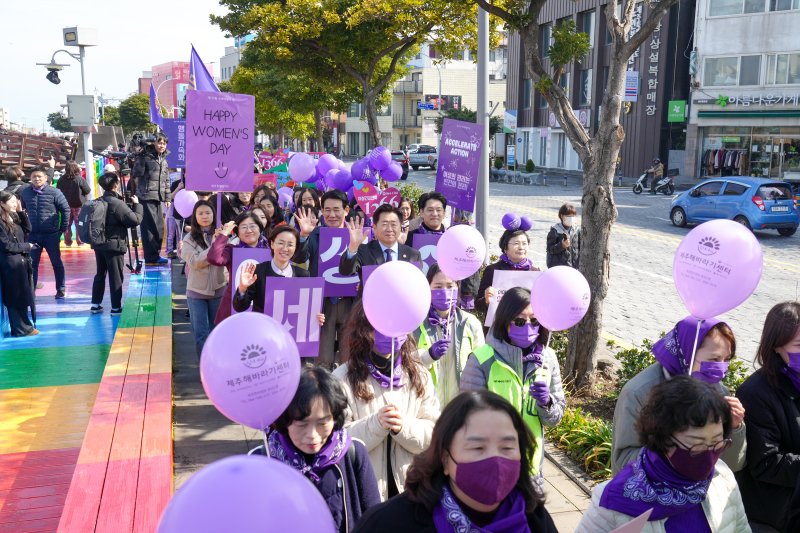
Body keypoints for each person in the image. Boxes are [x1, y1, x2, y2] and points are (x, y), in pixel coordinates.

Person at [353, 390, 558, 532]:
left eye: (507, 447)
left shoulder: (534, 518)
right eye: (477, 448)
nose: (495, 460)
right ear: (444, 458)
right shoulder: (390, 524)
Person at [578, 376, 750, 532]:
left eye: (716, 442)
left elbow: (741, 529)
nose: (709, 455)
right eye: (697, 444)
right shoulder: (612, 500)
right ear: (663, 438)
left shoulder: (722, 477)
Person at [332, 300, 440, 501]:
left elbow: (434, 435)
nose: (390, 332)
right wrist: (376, 424)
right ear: (365, 329)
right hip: (364, 494)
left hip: (411, 493)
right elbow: (335, 440)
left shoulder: (419, 375)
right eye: (381, 325)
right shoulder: (341, 378)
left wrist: (403, 427)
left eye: (396, 325)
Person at [611, 316, 746, 475]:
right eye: (714, 359)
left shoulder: (718, 392)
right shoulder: (639, 392)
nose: (721, 368)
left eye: (726, 359)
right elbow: (623, 460)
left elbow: (732, 464)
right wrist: (680, 452)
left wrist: (735, 427)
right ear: (687, 352)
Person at [460, 287, 566, 487]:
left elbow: (555, 418)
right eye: (519, 321)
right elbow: (467, 416)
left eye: (534, 321)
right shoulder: (482, 359)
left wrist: (547, 403)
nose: (528, 327)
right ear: (504, 321)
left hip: (532, 471)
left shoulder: (547, 359)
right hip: (491, 471)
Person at [259, 365, 381, 532]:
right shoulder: (264, 460)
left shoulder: (352, 453)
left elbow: (375, 519)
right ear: (284, 421)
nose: (313, 435)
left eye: (323, 423)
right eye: (302, 424)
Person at [735, 301, 800, 531]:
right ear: (776, 346)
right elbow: (765, 463)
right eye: (799, 344)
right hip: (777, 515)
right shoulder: (755, 393)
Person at [294, 190, 353, 369]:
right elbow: (299, 258)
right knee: (322, 358)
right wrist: (303, 235)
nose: (332, 215)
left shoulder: (356, 234)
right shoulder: (315, 234)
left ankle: (346, 394)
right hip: (322, 305)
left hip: (350, 303)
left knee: (348, 357)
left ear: (346, 210)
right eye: (327, 210)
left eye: (336, 209)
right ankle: (323, 394)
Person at [414, 263, 485, 406]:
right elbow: (404, 362)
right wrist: (428, 355)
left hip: (461, 406)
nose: (445, 292)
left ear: (458, 287)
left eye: (450, 286)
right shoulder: (415, 323)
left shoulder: (470, 322)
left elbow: (482, 366)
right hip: (426, 406)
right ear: (428, 288)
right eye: (438, 287)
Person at [88, 173, 143, 315]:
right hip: (114, 245)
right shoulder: (118, 203)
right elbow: (134, 220)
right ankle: (116, 307)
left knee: (100, 273)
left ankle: (95, 304)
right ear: (116, 185)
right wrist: (137, 205)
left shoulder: (97, 201)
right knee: (115, 276)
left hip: (99, 243)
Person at [180, 200, 227, 357]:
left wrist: (220, 240)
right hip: (196, 293)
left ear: (214, 215)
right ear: (195, 216)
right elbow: (195, 262)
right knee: (201, 334)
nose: (205, 216)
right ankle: (204, 369)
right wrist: (214, 247)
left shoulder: (223, 235)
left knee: (218, 333)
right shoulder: (189, 239)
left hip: (219, 290)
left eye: (208, 212)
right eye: (200, 213)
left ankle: (218, 365)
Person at [233, 226, 314, 314]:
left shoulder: (303, 275)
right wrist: (242, 288)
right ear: (272, 244)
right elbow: (240, 307)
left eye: (290, 245)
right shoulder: (258, 271)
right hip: (264, 325)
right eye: (281, 243)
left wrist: (315, 317)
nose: (285, 248)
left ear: (295, 248)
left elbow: (305, 309)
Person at [207, 211, 269, 324]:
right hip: (233, 307)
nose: (249, 230)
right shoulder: (232, 250)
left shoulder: (270, 251)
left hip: (261, 310)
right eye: (244, 227)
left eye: (252, 226)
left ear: (260, 229)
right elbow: (214, 258)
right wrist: (224, 233)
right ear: (237, 233)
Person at [339, 204, 421, 282]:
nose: (389, 229)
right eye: (384, 224)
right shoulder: (363, 251)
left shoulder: (413, 255)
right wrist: (353, 246)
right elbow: (345, 271)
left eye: (393, 224)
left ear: (400, 227)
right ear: (374, 227)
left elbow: (416, 284)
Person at [21, 167, 70, 298]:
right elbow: (21, 211)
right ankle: (31, 291)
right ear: (30, 179)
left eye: (39, 176)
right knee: (32, 264)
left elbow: (65, 210)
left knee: (56, 262)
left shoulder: (55, 192)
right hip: (32, 235)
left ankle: (61, 289)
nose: (36, 179)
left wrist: (62, 229)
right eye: (34, 177)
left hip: (51, 235)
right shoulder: (25, 192)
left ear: (46, 178)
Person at [476, 217, 539, 316]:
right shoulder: (493, 270)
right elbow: (478, 305)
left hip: (526, 325)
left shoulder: (535, 272)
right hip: (499, 327)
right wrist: (486, 300)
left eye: (524, 244)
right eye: (516, 243)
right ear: (505, 247)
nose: (521, 247)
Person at [0, 190, 37, 336]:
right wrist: (26, 247)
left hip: (20, 261)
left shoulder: (12, 216)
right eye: (12, 202)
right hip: (10, 264)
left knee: (23, 294)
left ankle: (26, 326)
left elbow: (28, 230)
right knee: (15, 296)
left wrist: (21, 212)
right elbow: (6, 245)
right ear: (2, 203)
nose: (15, 204)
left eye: (16, 201)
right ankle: (20, 329)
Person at [132, 133, 170, 264]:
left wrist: (167, 198)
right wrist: (140, 156)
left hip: (158, 198)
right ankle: (151, 257)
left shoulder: (163, 160)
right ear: (154, 144)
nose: (162, 146)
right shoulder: (146, 157)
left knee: (159, 228)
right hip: (146, 196)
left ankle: (155, 255)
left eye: (164, 143)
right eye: (159, 143)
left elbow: (166, 181)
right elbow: (136, 174)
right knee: (149, 228)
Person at [56, 161, 92, 247]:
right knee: (79, 223)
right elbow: (87, 190)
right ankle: (80, 242)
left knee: (67, 224)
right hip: (79, 205)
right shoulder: (79, 179)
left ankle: (68, 242)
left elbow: (58, 190)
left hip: (65, 205)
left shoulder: (61, 179)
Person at [545, 202, 580, 269]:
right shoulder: (555, 231)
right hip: (559, 267)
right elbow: (550, 249)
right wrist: (562, 245)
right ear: (562, 216)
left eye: (573, 216)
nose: (571, 219)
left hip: (574, 267)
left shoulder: (576, 230)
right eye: (569, 216)